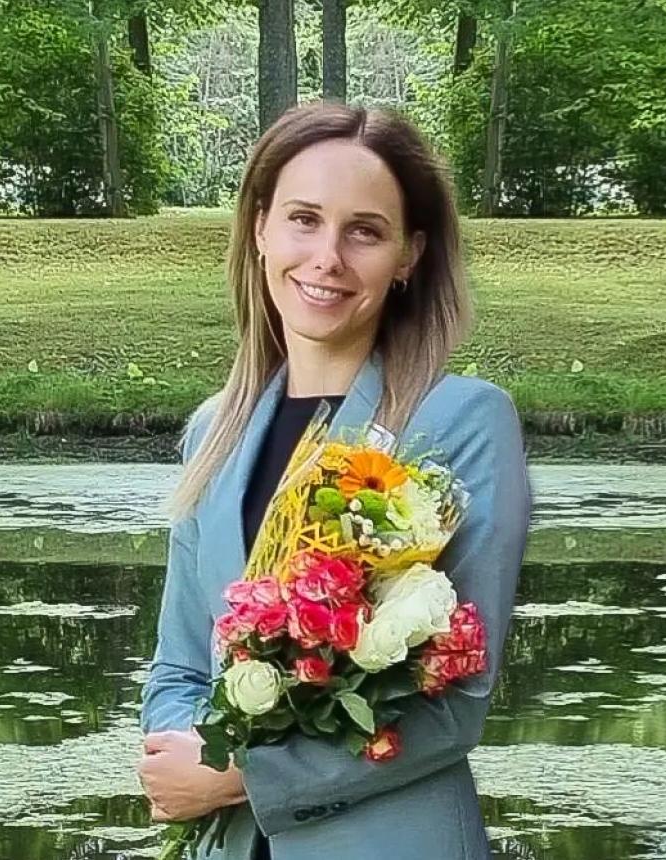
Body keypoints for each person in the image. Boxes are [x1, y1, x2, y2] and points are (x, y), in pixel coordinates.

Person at [137, 101, 532, 860]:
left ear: (409, 255)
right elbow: (181, 663)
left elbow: (456, 702)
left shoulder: (463, 422)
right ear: (260, 229)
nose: (327, 258)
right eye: (304, 219)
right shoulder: (212, 431)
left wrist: (240, 775)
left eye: (365, 232)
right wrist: (182, 755)